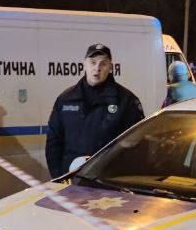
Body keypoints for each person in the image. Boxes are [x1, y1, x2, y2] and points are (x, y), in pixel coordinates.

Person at [45, 43, 144, 177]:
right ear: (84, 64)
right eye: (93, 62)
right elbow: (53, 142)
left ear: (110, 67)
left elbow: (136, 145)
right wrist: (59, 177)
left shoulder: (126, 101)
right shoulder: (65, 99)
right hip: (72, 180)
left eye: (103, 64)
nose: (97, 68)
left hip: (108, 180)